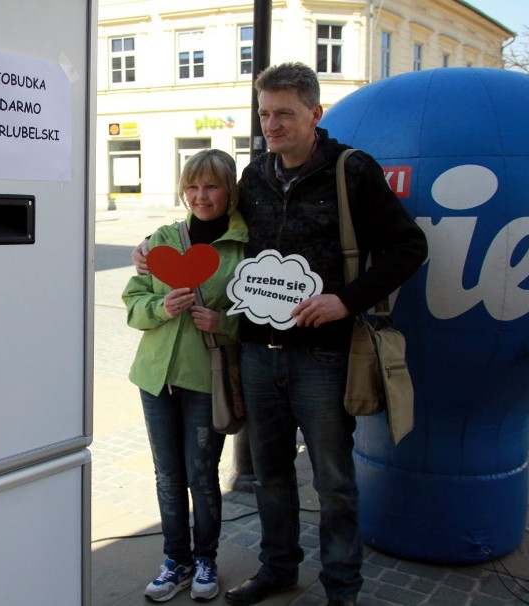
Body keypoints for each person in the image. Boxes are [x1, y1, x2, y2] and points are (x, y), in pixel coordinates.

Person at [132, 63, 428, 606]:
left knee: (333, 481)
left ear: (315, 114)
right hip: (255, 354)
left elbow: (410, 247)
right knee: (269, 474)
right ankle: (279, 569)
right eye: (265, 113)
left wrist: (346, 299)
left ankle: (342, 587)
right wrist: (152, 248)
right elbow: (210, 223)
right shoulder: (255, 176)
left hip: (322, 355)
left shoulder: (351, 171)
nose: (272, 124)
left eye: (285, 113)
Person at [123, 149, 249, 603]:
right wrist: (159, 307)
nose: (200, 196)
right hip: (155, 377)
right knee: (167, 474)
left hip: (206, 378)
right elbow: (134, 302)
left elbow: (258, 315)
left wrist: (224, 324)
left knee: (201, 473)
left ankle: (206, 557)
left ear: (229, 189)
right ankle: (175, 559)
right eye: (192, 186)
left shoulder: (242, 248)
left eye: (211, 186)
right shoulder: (161, 239)